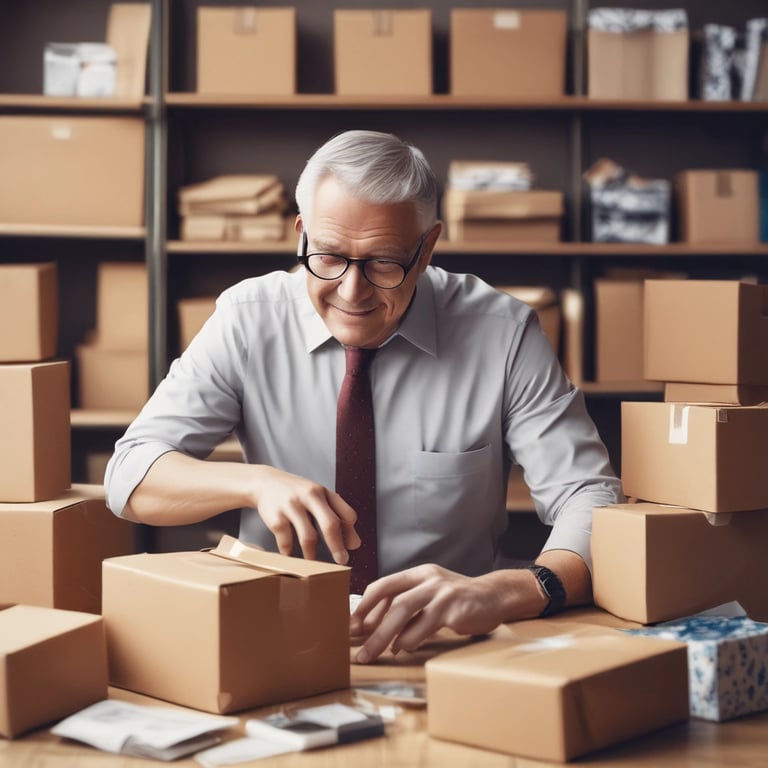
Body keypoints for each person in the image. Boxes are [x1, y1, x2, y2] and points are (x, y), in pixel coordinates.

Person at [105, 129, 623, 665]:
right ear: (301, 234)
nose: (351, 292)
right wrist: (254, 482)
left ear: (427, 249)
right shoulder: (247, 318)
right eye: (328, 256)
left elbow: (593, 499)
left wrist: (511, 588)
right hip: (273, 643)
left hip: (450, 651)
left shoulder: (503, 334)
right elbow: (129, 475)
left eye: (383, 263)